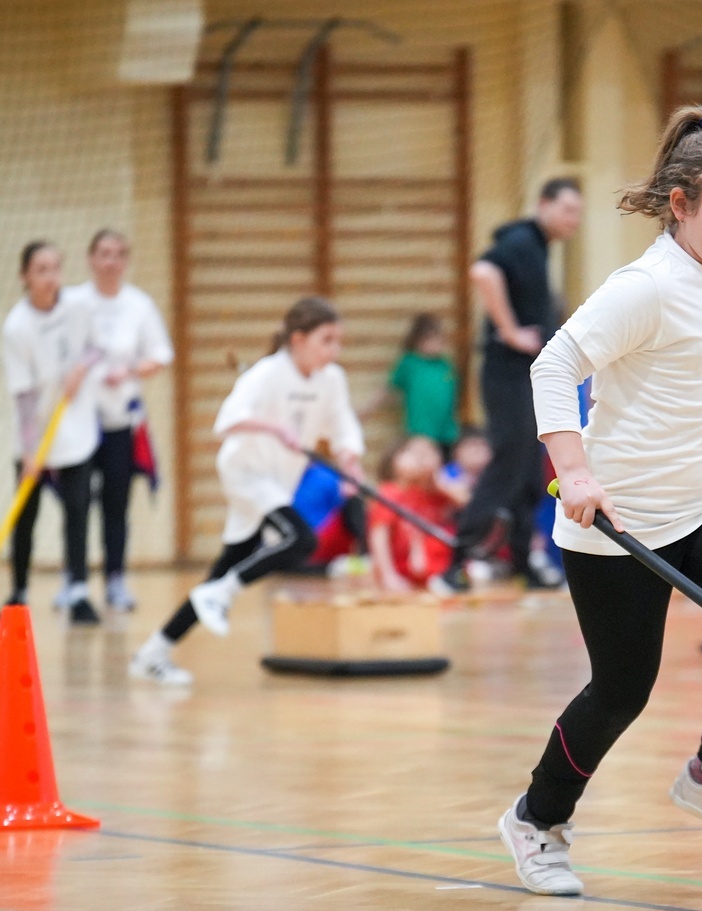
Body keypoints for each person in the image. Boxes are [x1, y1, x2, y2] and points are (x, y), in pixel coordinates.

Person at [501, 106, 702, 897]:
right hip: (618, 520)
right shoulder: (644, 288)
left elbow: (689, 373)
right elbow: (553, 367)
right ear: (681, 204)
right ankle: (537, 820)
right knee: (622, 691)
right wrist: (575, 472)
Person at [128, 297, 363, 687]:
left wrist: (350, 460)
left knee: (223, 571)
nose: (334, 350)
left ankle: (153, 652)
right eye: (327, 340)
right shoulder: (267, 374)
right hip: (245, 473)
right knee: (300, 539)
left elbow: (343, 427)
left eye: (338, 341)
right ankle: (224, 593)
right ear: (298, 339)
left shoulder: (332, 379)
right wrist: (274, 427)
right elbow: (226, 422)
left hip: (279, 480)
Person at [435, 178, 582, 594]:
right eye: (568, 209)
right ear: (544, 204)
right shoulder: (521, 241)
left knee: (529, 473)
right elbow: (482, 271)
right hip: (508, 374)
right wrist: (510, 330)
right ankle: (456, 563)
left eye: (578, 212)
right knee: (506, 466)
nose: (574, 220)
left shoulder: (537, 247)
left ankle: (523, 565)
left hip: (526, 376)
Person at [57, 229, 174, 613]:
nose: (110, 262)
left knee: (116, 503)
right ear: (90, 259)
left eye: (118, 254)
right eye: (104, 254)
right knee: (76, 503)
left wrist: (129, 371)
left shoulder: (138, 305)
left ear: (126, 261)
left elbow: (160, 354)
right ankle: (74, 581)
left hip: (119, 420)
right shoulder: (72, 301)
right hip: (78, 421)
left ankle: (116, 580)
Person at [3, 241, 102, 623]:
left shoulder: (78, 306)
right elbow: (24, 396)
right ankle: (19, 590)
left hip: (75, 430)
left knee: (77, 511)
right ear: (25, 276)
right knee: (26, 515)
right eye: (41, 270)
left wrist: (82, 367)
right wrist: (30, 451)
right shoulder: (17, 326)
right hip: (36, 434)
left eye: (55, 268)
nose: (50, 277)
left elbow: (97, 347)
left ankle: (78, 591)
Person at [369, 436, 458, 591]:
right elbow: (379, 535)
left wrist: (441, 483)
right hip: (400, 568)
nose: (421, 459)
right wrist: (389, 575)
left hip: (430, 568)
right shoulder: (390, 492)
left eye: (429, 452)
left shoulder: (438, 493)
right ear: (393, 460)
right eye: (414, 453)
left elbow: (470, 506)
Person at [386, 313, 459, 455]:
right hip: (420, 431)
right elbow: (391, 390)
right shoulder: (409, 363)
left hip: (445, 432)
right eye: (431, 338)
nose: (437, 343)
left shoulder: (446, 365)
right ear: (418, 340)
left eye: (440, 338)